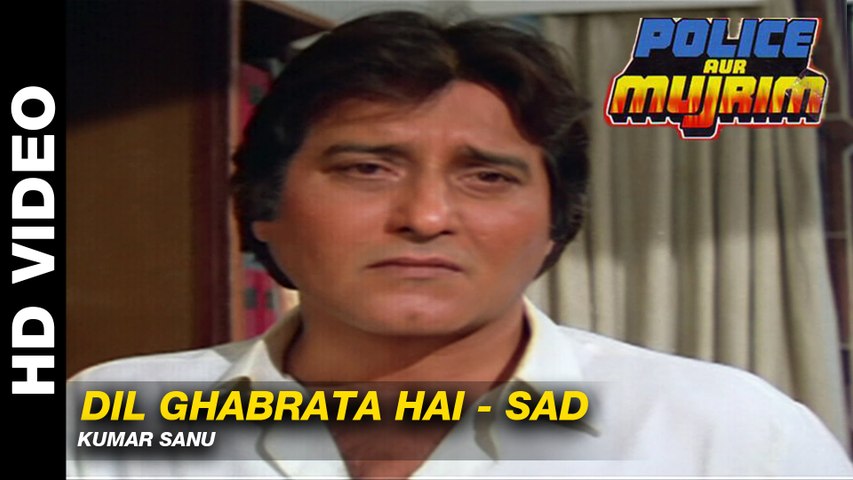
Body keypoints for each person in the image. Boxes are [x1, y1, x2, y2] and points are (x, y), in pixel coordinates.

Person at [67, 10, 853, 479]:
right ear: (263, 205)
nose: (426, 215)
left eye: (486, 177)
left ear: (554, 224)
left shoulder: (726, 437)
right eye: (366, 169)